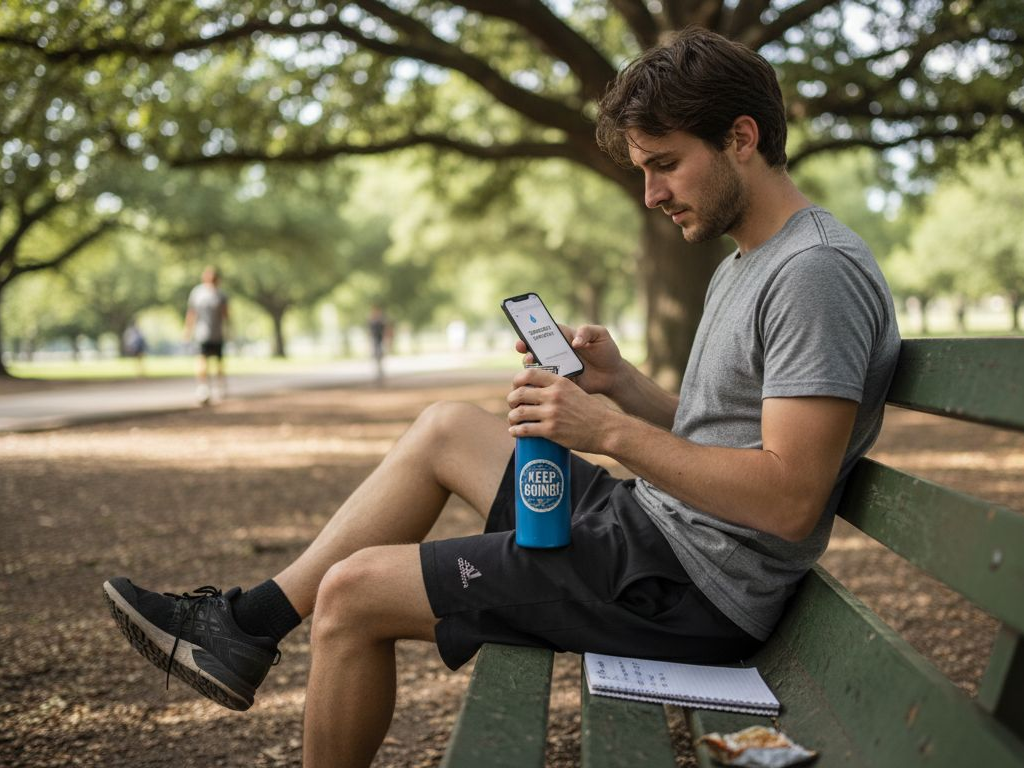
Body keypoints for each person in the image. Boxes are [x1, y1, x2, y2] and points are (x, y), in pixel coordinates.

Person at [102, 28, 900, 768]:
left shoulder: (814, 275)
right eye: (642, 169)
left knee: (352, 593)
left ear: (742, 138)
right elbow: (727, 436)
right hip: (656, 535)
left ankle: (248, 629)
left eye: (665, 163)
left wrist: (608, 430)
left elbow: (789, 498)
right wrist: (621, 384)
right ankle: (247, 626)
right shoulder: (750, 261)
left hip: (688, 590)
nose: (651, 192)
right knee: (446, 428)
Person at [184, 266, 229, 404]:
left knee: (212, 362)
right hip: (204, 334)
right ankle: (207, 387)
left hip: (213, 334)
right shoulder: (210, 294)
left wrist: (187, 330)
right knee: (205, 361)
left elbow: (192, 314)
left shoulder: (210, 294)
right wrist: (188, 330)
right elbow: (192, 314)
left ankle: (209, 387)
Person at [367, 305, 389, 386]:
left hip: (381, 340)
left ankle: (380, 371)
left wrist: (386, 338)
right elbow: (369, 330)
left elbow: (385, 329)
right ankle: (378, 371)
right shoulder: (371, 321)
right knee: (376, 355)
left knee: (380, 354)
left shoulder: (381, 321)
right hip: (374, 340)